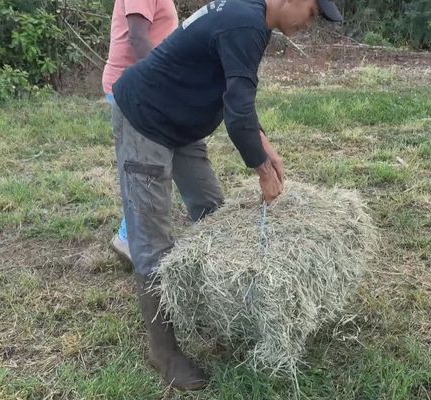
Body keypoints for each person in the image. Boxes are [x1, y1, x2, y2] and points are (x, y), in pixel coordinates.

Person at [112, 0, 343, 390]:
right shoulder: (245, 22)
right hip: (146, 118)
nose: (311, 22)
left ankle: (219, 307)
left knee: (213, 212)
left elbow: (238, 98)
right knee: (153, 241)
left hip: (181, 125)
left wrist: (264, 143)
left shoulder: (250, 18)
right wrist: (262, 173)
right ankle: (163, 353)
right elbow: (236, 117)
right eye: (313, 11)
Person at [102, 0, 179, 262]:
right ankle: (128, 240)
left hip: (144, 87)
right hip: (134, 89)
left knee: (146, 169)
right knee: (143, 169)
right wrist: (166, 82)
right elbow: (137, 36)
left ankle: (128, 235)